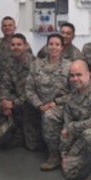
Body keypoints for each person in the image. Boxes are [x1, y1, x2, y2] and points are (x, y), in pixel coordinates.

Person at [26, 33, 71, 170]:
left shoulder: (69, 66)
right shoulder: (36, 65)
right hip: (40, 106)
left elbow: (74, 92)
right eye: (51, 44)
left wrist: (55, 103)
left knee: (50, 116)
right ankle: (53, 153)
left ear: (62, 47)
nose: (53, 47)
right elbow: (29, 89)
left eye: (57, 44)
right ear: (46, 46)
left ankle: (57, 155)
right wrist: (39, 104)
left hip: (63, 106)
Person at [0, 33, 36, 150]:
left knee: (33, 146)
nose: (16, 47)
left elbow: (32, 92)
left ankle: (29, 134)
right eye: (13, 45)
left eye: (19, 44)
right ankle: (16, 134)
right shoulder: (9, 63)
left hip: (32, 103)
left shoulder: (35, 64)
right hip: (16, 101)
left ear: (26, 46)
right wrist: (5, 102)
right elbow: (4, 85)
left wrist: (13, 103)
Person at [0, 16, 32, 87]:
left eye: (10, 25)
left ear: (15, 28)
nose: (7, 28)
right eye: (5, 26)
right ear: (1, 28)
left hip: (18, 84)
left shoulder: (23, 45)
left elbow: (30, 65)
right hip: (0, 84)